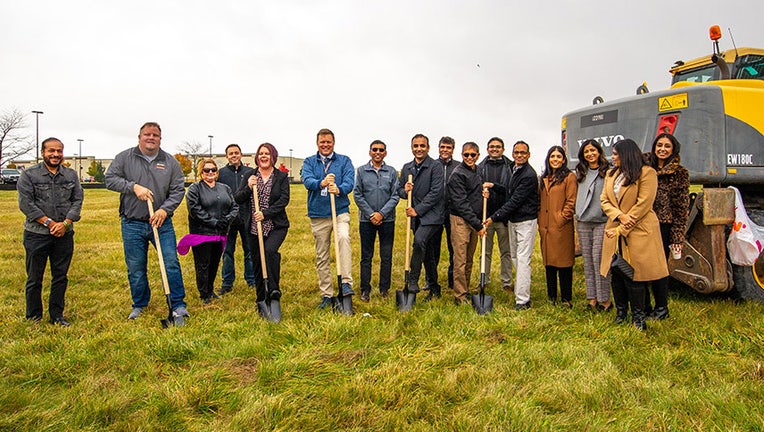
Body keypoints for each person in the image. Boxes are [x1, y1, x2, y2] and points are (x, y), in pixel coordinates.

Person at [105, 122, 189, 320]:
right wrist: (133, 187)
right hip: (132, 222)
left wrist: (164, 210)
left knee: (170, 263)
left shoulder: (170, 162)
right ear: (139, 137)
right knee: (135, 266)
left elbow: (178, 190)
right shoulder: (125, 158)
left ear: (160, 138)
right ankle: (140, 304)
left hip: (161, 223)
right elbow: (110, 179)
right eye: (147, 134)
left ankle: (178, 304)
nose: (151, 138)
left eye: (155, 135)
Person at [600, 138, 668, 331]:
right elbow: (604, 200)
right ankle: (622, 312)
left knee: (635, 273)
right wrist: (619, 216)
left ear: (626, 154)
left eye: (615, 154)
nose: (612, 158)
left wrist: (624, 225)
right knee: (617, 270)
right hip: (616, 226)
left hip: (639, 229)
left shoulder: (647, 173)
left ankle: (639, 317)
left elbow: (644, 203)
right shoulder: (612, 174)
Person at [17, 137, 83, 326]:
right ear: (42, 153)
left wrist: (66, 223)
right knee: (34, 278)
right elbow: (26, 204)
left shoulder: (70, 175)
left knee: (60, 276)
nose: (55, 155)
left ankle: (57, 315)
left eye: (59, 151)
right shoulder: (29, 175)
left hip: (64, 234)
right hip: (36, 234)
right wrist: (49, 223)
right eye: (51, 151)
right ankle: (34, 316)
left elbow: (77, 200)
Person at [301, 128, 355, 309]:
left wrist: (339, 189)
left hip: (339, 210)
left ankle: (346, 284)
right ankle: (327, 294)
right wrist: (321, 183)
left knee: (343, 238)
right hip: (318, 213)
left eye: (328, 142)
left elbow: (350, 181)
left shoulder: (344, 161)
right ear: (317, 143)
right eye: (322, 142)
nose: (325, 145)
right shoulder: (309, 162)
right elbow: (307, 180)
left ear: (334, 143)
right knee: (322, 255)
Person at [484, 140, 539, 310]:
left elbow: (514, 201)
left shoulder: (528, 175)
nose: (519, 155)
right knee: (515, 257)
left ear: (528, 155)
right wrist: (493, 186)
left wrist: (493, 217)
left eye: (523, 153)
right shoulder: (514, 170)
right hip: (514, 221)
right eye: (517, 152)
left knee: (522, 260)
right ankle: (520, 292)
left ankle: (522, 301)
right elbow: (509, 191)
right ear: (513, 154)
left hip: (525, 221)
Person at [235, 143, 290, 303]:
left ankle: (273, 289)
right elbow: (238, 198)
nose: (263, 156)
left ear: (273, 156)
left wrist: (265, 214)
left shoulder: (281, 177)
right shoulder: (249, 176)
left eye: (267, 153)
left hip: (276, 225)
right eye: (261, 154)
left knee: (270, 251)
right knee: (257, 261)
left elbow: (284, 200)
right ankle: (261, 297)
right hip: (254, 228)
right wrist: (248, 186)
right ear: (257, 157)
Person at [644, 133, 690, 320]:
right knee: (641, 266)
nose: (662, 149)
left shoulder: (679, 173)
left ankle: (661, 308)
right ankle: (644, 306)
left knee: (660, 267)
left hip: (663, 225)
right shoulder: (645, 167)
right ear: (654, 147)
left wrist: (677, 237)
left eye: (667, 146)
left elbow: (681, 207)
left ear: (673, 150)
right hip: (643, 222)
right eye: (659, 145)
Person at [398, 133, 446, 299]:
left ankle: (412, 280)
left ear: (428, 148)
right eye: (416, 146)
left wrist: (417, 210)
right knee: (428, 253)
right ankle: (434, 287)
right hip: (416, 219)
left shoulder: (435, 166)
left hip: (432, 217)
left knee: (419, 242)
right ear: (412, 148)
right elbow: (400, 192)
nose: (419, 149)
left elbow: (436, 192)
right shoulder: (407, 168)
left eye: (422, 146)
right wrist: (405, 190)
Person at [184, 159, 238, 304]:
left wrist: (227, 220)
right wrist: (213, 222)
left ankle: (210, 289)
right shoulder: (195, 189)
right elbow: (195, 210)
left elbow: (234, 206)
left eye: (213, 170)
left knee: (215, 261)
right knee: (203, 263)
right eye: (206, 170)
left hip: (220, 233)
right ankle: (204, 293)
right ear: (201, 172)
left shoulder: (224, 188)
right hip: (202, 233)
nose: (210, 173)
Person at [353, 140, 400, 301]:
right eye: (375, 150)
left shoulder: (392, 171)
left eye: (381, 150)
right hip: (367, 221)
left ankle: (384, 289)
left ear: (385, 153)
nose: (377, 152)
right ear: (370, 152)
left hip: (387, 221)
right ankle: (365, 289)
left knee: (386, 256)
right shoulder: (361, 171)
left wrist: (382, 214)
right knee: (366, 256)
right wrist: (371, 214)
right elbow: (357, 195)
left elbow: (395, 195)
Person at [447, 142, 487, 304]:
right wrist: (478, 225)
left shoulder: (478, 171)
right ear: (461, 155)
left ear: (478, 155)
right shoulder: (457, 174)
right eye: (466, 155)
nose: (469, 158)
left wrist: (485, 191)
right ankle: (460, 295)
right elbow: (461, 203)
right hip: (461, 220)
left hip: (474, 219)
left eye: (473, 155)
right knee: (461, 259)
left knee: (469, 258)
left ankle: (466, 289)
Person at [574, 139, 611, 312]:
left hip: (601, 221)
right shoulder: (580, 172)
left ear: (599, 152)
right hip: (583, 221)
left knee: (599, 259)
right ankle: (592, 298)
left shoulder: (608, 172)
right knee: (588, 260)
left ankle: (605, 300)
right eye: (586, 151)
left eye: (592, 151)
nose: (590, 154)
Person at [538, 146, 577, 307]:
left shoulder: (569, 177)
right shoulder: (544, 178)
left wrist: (561, 218)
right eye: (552, 156)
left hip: (561, 226)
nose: (555, 159)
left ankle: (566, 298)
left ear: (563, 159)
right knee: (549, 263)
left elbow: (571, 201)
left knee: (564, 263)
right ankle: (551, 296)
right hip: (545, 227)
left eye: (558, 156)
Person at [218, 144, 256, 295]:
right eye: (231, 153)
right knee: (227, 252)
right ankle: (227, 283)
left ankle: (251, 280)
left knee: (250, 251)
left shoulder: (250, 172)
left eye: (236, 153)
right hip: (228, 219)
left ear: (241, 155)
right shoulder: (221, 174)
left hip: (246, 217)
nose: (234, 155)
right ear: (226, 156)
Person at [478, 137, 514, 292]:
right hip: (486, 216)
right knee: (485, 251)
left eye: (498, 147)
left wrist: (494, 186)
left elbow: (510, 189)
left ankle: (506, 282)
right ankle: (483, 279)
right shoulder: (480, 167)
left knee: (506, 251)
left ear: (503, 149)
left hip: (504, 217)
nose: (494, 149)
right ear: (487, 149)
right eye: (492, 147)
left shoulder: (510, 167)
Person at [431, 136, 459, 294]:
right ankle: (432, 280)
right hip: (434, 211)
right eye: (442, 147)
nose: (445, 150)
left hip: (453, 211)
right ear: (438, 148)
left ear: (453, 149)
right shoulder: (433, 166)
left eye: (448, 147)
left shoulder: (458, 166)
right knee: (433, 247)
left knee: (453, 247)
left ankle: (452, 278)